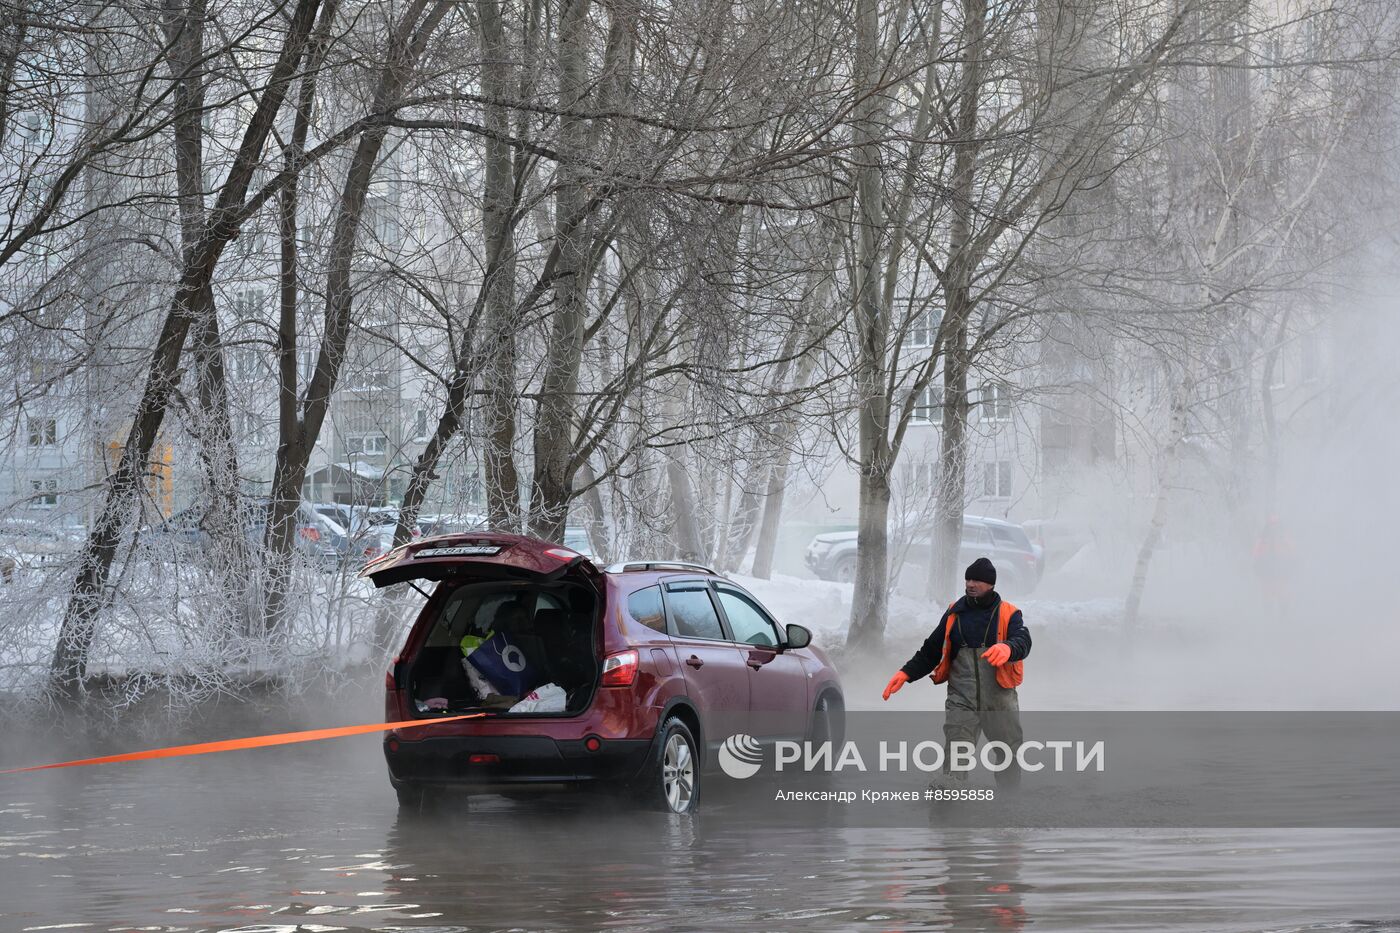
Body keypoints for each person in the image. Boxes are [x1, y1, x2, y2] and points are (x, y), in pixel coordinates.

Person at [881, 557, 1032, 788]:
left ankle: (1009, 800)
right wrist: (906, 673)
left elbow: (1023, 640)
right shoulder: (955, 612)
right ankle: (950, 804)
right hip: (962, 697)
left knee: (1008, 751)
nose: (971, 584)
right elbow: (931, 650)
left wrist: (1008, 647)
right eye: (968, 579)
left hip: (999, 697)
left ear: (991, 584)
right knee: (957, 750)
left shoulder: (1009, 613)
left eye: (977, 580)